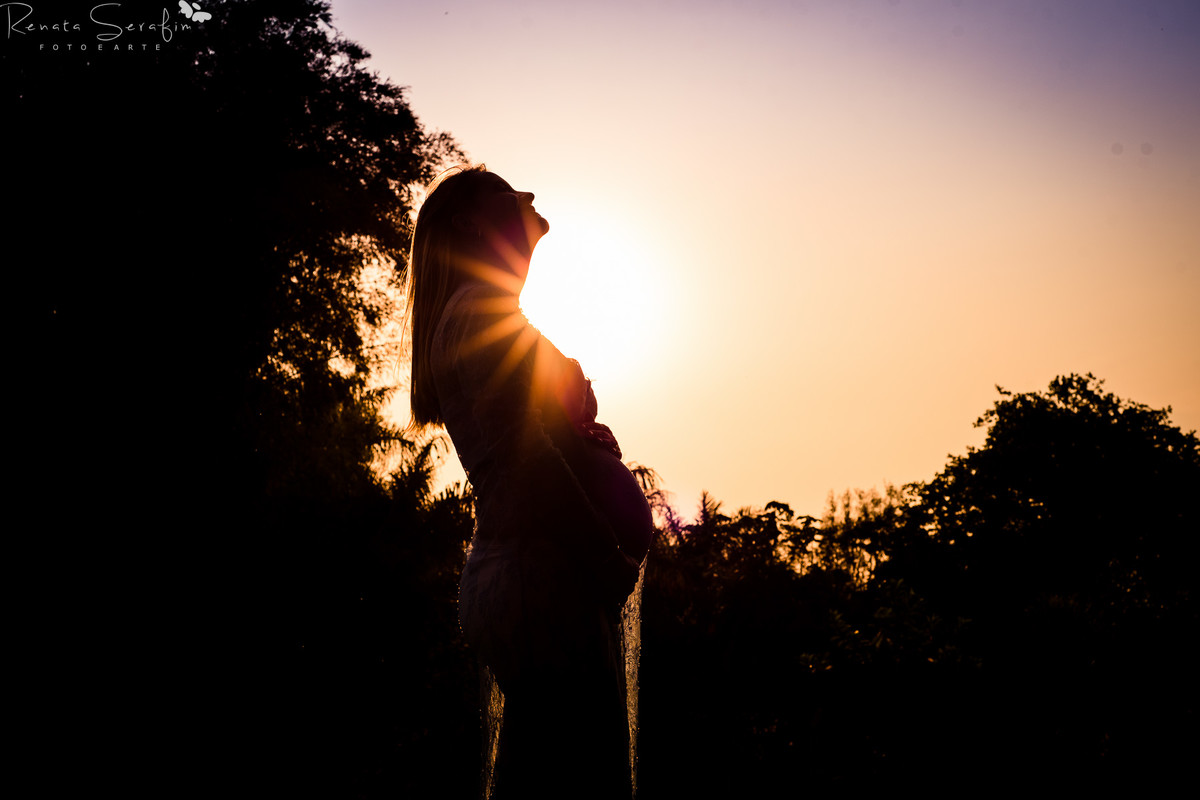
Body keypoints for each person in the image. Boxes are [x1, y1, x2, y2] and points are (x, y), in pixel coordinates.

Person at [406, 165, 654, 799]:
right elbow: (526, 459)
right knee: (569, 791)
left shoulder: (484, 312)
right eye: (503, 189)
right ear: (470, 222)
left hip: (536, 577)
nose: (529, 194)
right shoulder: (478, 311)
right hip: (539, 580)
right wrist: (603, 555)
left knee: (545, 781)